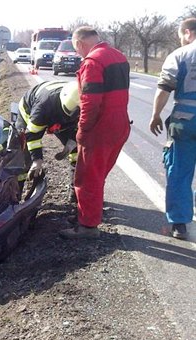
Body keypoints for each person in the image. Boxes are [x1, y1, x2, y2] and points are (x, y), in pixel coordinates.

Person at [59, 26, 131, 239]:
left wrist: (82, 130)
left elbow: (90, 102)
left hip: (100, 128)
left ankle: (88, 227)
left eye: (76, 49)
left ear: (80, 43)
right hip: (121, 125)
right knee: (99, 175)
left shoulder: (93, 62)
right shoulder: (119, 56)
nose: (78, 53)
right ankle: (86, 214)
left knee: (87, 178)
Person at [148, 17, 196, 240]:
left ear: (187, 32)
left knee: (178, 172)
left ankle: (179, 224)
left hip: (185, 121)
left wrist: (156, 114)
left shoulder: (180, 55)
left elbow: (164, 88)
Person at [16, 80, 80, 202]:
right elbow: (32, 134)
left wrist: (72, 140)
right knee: (23, 155)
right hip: (29, 113)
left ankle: (76, 193)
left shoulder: (83, 105)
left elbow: (82, 127)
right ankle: (15, 195)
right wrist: (37, 160)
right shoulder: (43, 107)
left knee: (78, 153)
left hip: (61, 117)